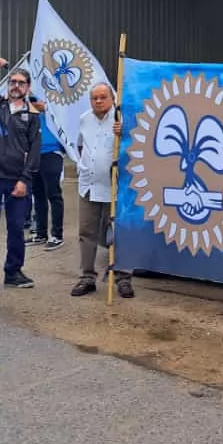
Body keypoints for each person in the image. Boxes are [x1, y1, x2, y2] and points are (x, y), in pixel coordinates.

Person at [0, 58, 39, 298]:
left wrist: (24, 180)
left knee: (15, 228)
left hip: (17, 182)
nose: (15, 86)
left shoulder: (32, 116)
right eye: (12, 82)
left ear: (28, 88)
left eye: (21, 83)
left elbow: (34, 152)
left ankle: (13, 272)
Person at [70, 83, 132, 299]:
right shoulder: (84, 119)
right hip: (89, 185)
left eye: (103, 97)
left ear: (112, 98)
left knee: (117, 233)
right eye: (94, 98)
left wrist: (125, 135)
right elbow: (80, 145)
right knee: (86, 233)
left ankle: (123, 277)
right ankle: (87, 277)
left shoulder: (121, 119)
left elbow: (136, 148)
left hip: (114, 187)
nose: (98, 101)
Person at [29, 112, 66, 250]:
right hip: (34, 153)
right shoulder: (28, 107)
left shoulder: (55, 105)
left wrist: (46, 108)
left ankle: (57, 235)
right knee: (38, 195)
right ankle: (41, 233)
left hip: (52, 152)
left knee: (53, 194)